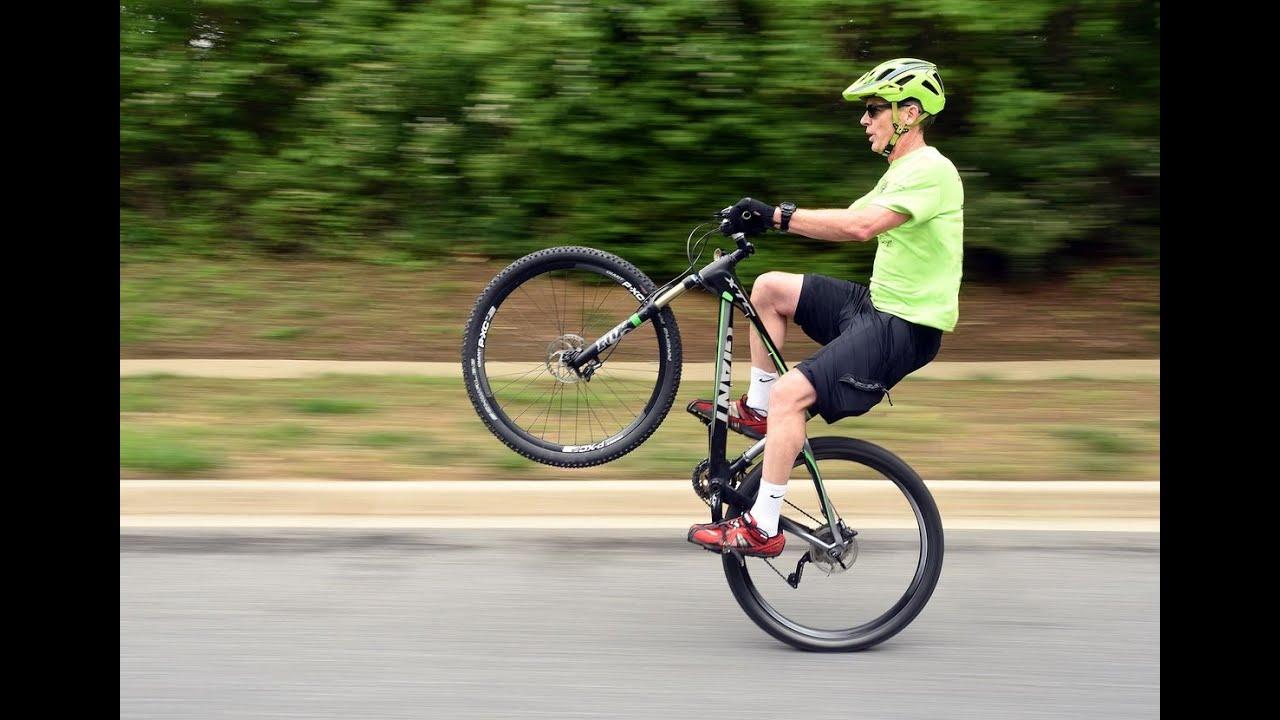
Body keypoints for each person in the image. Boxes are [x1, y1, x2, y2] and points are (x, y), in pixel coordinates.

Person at [686, 58, 964, 557]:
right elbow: (846, 218)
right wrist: (766, 220)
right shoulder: (903, 171)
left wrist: (776, 215)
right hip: (877, 305)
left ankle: (763, 527)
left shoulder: (932, 170)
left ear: (910, 114)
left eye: (875, 109)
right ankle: (759, 410)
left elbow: (860, 228)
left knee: (793, 393)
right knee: (769, 289)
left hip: (905, 327)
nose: (865, 119)